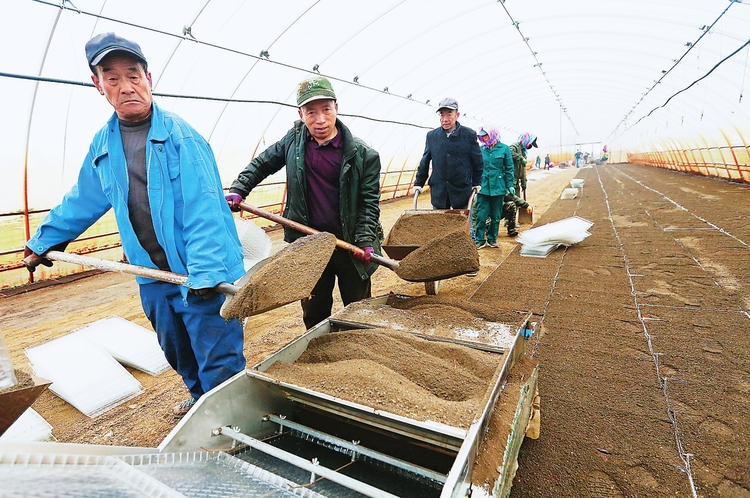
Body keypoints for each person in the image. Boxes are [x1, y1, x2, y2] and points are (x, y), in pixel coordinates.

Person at [22, 33, 246, 419]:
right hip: (153, 277)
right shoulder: (104, 143)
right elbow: (84, 198)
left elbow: (204, 208)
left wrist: (206, 272)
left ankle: (231, 421)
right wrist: (44, 239)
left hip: (201, 274)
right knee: (179, 352)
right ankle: (200, 404)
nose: (125, 87)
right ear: (98, 85)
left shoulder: (180, 136)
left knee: (217, 358)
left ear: (149, 78)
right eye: (112, 78)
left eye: (133, 75)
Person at [225, 75, 382, 330]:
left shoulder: (364, 155)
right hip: (309, 245)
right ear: (300, 114)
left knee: (358, 310)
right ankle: (318, 356)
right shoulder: (294, 141)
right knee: (314, 310)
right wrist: (239, 188)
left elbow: (368, 202)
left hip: (349, 244)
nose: (320, 120)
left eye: (326, 110)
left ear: (336, 108)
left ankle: (359, 359)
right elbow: (263, 163)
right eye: (311, 112)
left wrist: (364, 239)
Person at [413, 98, 483, 209]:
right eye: (441, 115)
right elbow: (425, 162)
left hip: (461, 192)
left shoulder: (468, 135)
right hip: (439, 192)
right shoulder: (432, 136)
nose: (445, 119)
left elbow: (477, 162)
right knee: (440, 224)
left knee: (463, 223)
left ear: (457, 114)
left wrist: (476, 182)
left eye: (449, 114)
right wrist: (418, 183)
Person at [474, 126, 516, 245]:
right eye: (482, 136)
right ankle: (480, 240)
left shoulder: (504, 149)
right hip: (483, 187)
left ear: (493, 134)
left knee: (496, 216)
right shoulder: (481, 149)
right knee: (481, 215)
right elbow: (475, 167)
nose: (484, 138)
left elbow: (509, 168)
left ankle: (492, 239)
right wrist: (474, 183)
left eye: (486, 135)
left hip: (498, 187)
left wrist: (510, 185)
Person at [509, 132, 537, 203]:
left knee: (518, 201)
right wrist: (520, 158)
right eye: (530, 143)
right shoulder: (515, 146)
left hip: (516, 181)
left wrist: (524, 182)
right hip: (510, 179)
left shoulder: (523, 152)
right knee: (511, 202)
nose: (530, 146)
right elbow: (509, 152)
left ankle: (517, 213)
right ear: (526, 140)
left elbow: (523, 169)